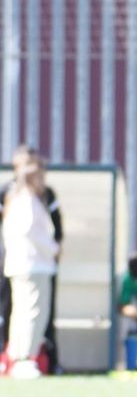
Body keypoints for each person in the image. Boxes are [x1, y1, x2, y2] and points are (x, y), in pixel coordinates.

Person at [1, 146, 63, 378]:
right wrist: (54, 248)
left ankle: (17, 357)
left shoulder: (14, 197)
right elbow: (32, 232)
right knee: (34, 312)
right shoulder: (27, 199)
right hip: (33, 263)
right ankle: (25, 358)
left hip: (20, 264)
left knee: (21, 311)